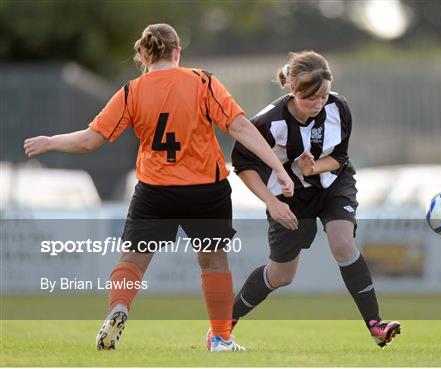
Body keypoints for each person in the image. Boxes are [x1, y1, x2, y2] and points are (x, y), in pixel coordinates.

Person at [23, 23, 294, 353]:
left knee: (132, 263)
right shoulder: (203, 82)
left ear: (142, 55)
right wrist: (278, 167)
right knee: (213, 264)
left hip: (155, 191)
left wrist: (51, 141)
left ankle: (118, 308)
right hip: (205, 191)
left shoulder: (132, 91)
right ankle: (222, 338)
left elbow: (91, 139)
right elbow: (239, 126)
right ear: (177, 51)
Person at [225, 51, 401, 348]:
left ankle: (376, 325)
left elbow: (340, 158)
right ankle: (224, 323)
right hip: (289, 197)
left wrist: (314, 167)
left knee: (343, 243)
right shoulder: (269, 122)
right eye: (311, 98)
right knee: (281, 275)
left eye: (323, 96)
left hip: (333, 185)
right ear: (293, 91)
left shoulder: (339, 107)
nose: (319, 104)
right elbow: (242, 166)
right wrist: (272, 202)